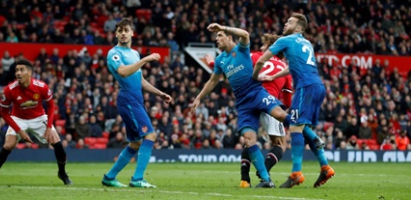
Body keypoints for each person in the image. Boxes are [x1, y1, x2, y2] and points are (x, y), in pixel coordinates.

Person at [192, 23, 291, 188]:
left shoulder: (244, 50)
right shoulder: (220, 60)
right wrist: (199, 97)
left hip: (257, 93)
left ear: (229, 37)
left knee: (280, 117)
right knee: (249, 140)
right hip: (243, 103)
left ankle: (308, 133)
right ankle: (266, 180)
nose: (216, 39)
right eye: (216, 36)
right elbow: (213, 81)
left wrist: (223, 27)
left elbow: (245, 34)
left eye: (220, 36)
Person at [252, 13, 335, 188]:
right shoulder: (306, 43)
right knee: (303, 127)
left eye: (289, 22)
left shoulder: (286, 40)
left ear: (298, 28)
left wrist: (256, 76)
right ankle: (325, 166)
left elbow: (261, 59)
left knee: (295, 128)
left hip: (305, 87)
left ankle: (296, 173)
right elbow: (293, 66)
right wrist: (275, 75)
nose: (285, 23)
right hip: (318, 86)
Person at [102, 18, 172, 188]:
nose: (123, 33)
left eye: (126, 30)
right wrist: (145, 60)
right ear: (116, 33)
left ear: (132, 32)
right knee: (151, 135)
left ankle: (110, 177)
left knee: (135, 143)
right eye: (120, 30)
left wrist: (160, 93)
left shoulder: (134, 54)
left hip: (136, 100)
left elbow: (140, 79)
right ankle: (138, 179)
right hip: (128, 100)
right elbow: (123, 72)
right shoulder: (114, 53)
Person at [0, 59, 72, 186]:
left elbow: (51, 106)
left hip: (38, 117)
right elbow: (4, 113)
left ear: (29, 73)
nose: (18, 73)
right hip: (18, 118)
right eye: (16, 70)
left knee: (57, 142)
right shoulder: (9, 90)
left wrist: (49, 126)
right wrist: (20, 131)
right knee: (8, 145)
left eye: (21, 70)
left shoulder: (41, 87)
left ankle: (62, 173)